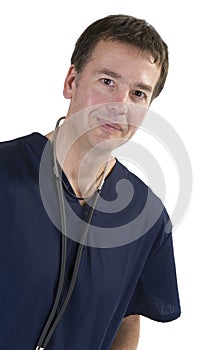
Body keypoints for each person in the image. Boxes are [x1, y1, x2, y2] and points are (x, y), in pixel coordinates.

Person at [0, 14, 181, 350]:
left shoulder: (145, 216)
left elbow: (127, 314)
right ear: (72, 81)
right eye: (107, 82)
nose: (120, 106)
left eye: (139, 93)